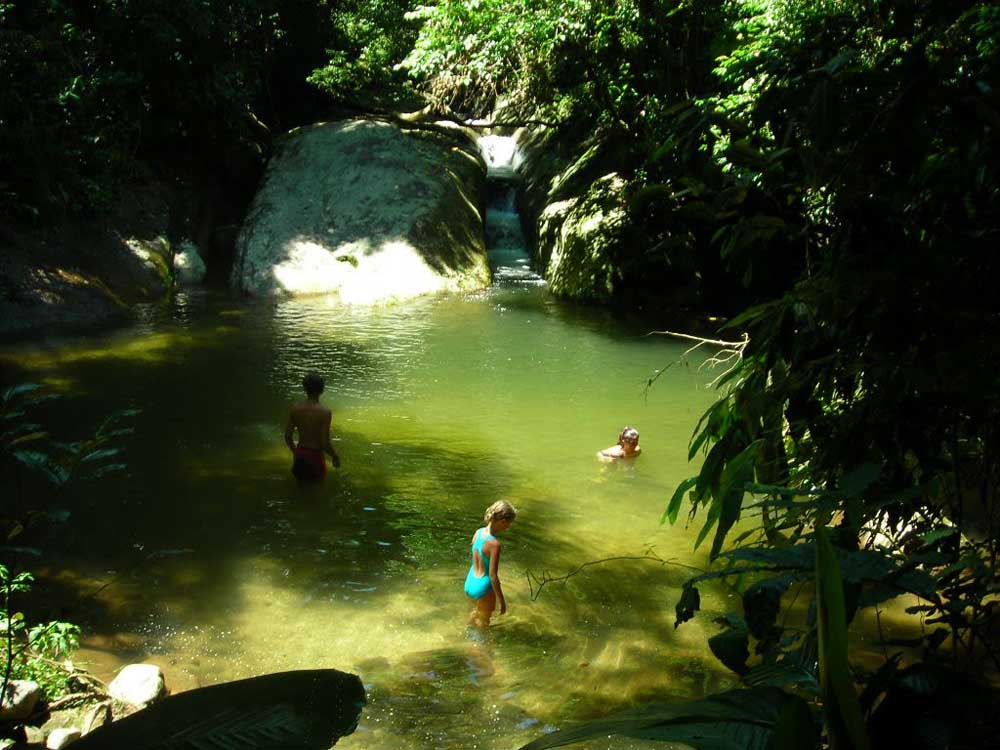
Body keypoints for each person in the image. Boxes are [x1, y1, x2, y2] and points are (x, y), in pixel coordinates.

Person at [464, 500, 517, 628]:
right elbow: (493, 576)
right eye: (508, 524)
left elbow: (475, 551)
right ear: (503, 521)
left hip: (470, 583)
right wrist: (502, 601)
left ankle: (466, 629)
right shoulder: (495, 544)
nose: (507, 527)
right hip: (483, 587)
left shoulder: (478, 532)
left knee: (477, 612)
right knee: (484, 626)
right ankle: (479, 647)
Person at [284, 372, 341, 481]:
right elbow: (324, 443)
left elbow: (287, 436)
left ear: (305, 388)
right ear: (322, 390)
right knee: (317, 491)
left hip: (300, 453)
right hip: (315, 456)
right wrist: (334, 456)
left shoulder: (295, 409)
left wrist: (295, 452)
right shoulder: (325, 413)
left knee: (300, 487)